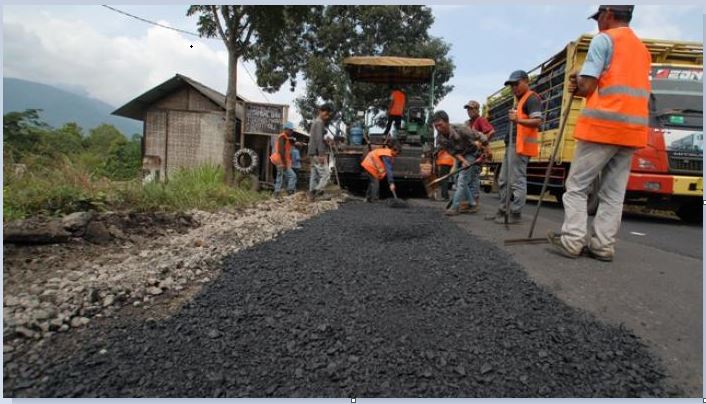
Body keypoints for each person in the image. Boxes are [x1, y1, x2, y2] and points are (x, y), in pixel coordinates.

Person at [548, 5, 650, 262]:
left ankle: (572, 241)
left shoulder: (604, 40)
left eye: (598, 17)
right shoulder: (642, 50)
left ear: (608, 14)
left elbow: (587, 87)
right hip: (632, 131)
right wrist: (581, 76)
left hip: (603, 127)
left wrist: (577, 80)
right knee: (613, 193)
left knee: (576, 187)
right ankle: (603, 246)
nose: (597, 23)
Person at [486, 70, 542, 224]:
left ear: (526, 81)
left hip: (520, 146)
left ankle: (515, 213)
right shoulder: (519, 100)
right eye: (511, 85)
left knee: (517, 181)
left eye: (516, 84)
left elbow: (537, 121)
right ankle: (503, 211)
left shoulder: (532, 98)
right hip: (511, 144)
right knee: (503, 180)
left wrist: (518, 120)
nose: (513, 88)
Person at [432, 111, 488, 216]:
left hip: (472, 151)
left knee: (462, 180)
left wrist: (486, 149)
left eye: (440, 125)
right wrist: (463, 161)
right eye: (436, 126)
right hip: (460, 154)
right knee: (458, 181)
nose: (438, 128)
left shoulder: (461, 129)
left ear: (447, 122)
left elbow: (479, 136)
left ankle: (455, 207)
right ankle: (472, 203)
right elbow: (453, 152)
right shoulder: (440, 138)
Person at [463, 100, 496, 208]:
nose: (469, 111)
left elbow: (491, 131)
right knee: (471, 178)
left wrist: (481, 143)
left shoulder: (480, 120)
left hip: (476, 155)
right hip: (470, 154)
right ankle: (470, 201)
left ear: (477, 110)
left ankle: (473, 202)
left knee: (472, 178)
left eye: (471, 109)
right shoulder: (469, 122)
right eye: (468, 109)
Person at [307, 103, 333, 200]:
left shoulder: (315, 122)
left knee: (314, 174)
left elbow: (317, 138)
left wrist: (324, 141)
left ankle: (311, 194)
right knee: (326, 174)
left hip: (312, 152)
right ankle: (317, 192)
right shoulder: (319, 122)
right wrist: (322, 154)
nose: (327, 116)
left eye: (328, 115)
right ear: (321, 111)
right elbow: (318, 139)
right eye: (326, 114)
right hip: (317, 153)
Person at [270, 121, 297, 197]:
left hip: (279, 161)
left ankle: (276, 193)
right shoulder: (282, 137)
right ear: (286, 129)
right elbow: (281, 151)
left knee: (279, 177)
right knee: (293, 176)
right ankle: (290, 191)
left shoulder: (285, 137)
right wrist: (284, 163)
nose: (292, 131)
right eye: (291, 130)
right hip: (281, 161)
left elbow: (286, 149)